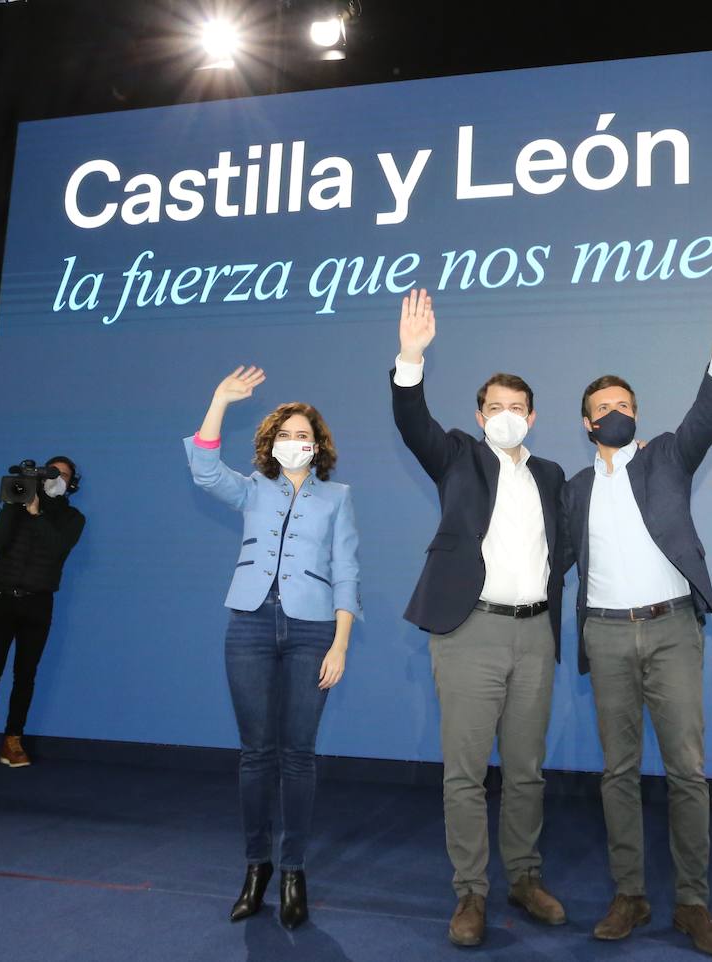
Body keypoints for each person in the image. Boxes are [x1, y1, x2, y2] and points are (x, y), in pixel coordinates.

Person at [561, 301, 712, 958]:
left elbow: (707, 414)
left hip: (672, 632)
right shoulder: (576, 488)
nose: (618, 412)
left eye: (626, 403)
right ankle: (630, 893)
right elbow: (552, 559)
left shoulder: (668, 456)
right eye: (605, 406)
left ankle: (692, 904)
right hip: (606, 638)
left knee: (686, 772)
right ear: (587, 424)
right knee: (617, 771)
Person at [390, 290, 570, 948]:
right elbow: (414, 424)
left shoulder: (551, 474)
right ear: (479, 414)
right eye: (494, 407)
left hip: (535, 633)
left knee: (527, 769)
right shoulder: (458, 456)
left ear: (532, 416)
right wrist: (411, 359)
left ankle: (524, 877)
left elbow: (565, 550)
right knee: (465, 772)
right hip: (470, 632)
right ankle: (470, 893)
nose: (505, 416)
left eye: (516, 408)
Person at [184, 366, 361, 930]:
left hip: (313, 632)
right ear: (271, 443)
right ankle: (255, 867)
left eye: (302, 434)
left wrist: (340, 644)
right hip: (250, 626)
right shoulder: (253, 488)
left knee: (298, 755)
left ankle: (293, 871)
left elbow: (348, 573)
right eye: (284, 434)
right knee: (256, 753)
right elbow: (204, 469)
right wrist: (218, 400)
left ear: (318, 444)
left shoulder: (338, 497)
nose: (293, 442)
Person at [0, 457, 85, 772]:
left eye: (62, 474)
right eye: (50, 472)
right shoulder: (16, 505)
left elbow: (58, 548)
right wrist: (14, 506)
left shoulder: (72, 518)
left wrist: (37, 513)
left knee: (25, 675)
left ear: (72, 483)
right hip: (0, 599)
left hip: (38, 603)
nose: (55, 478)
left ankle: (13, 740)